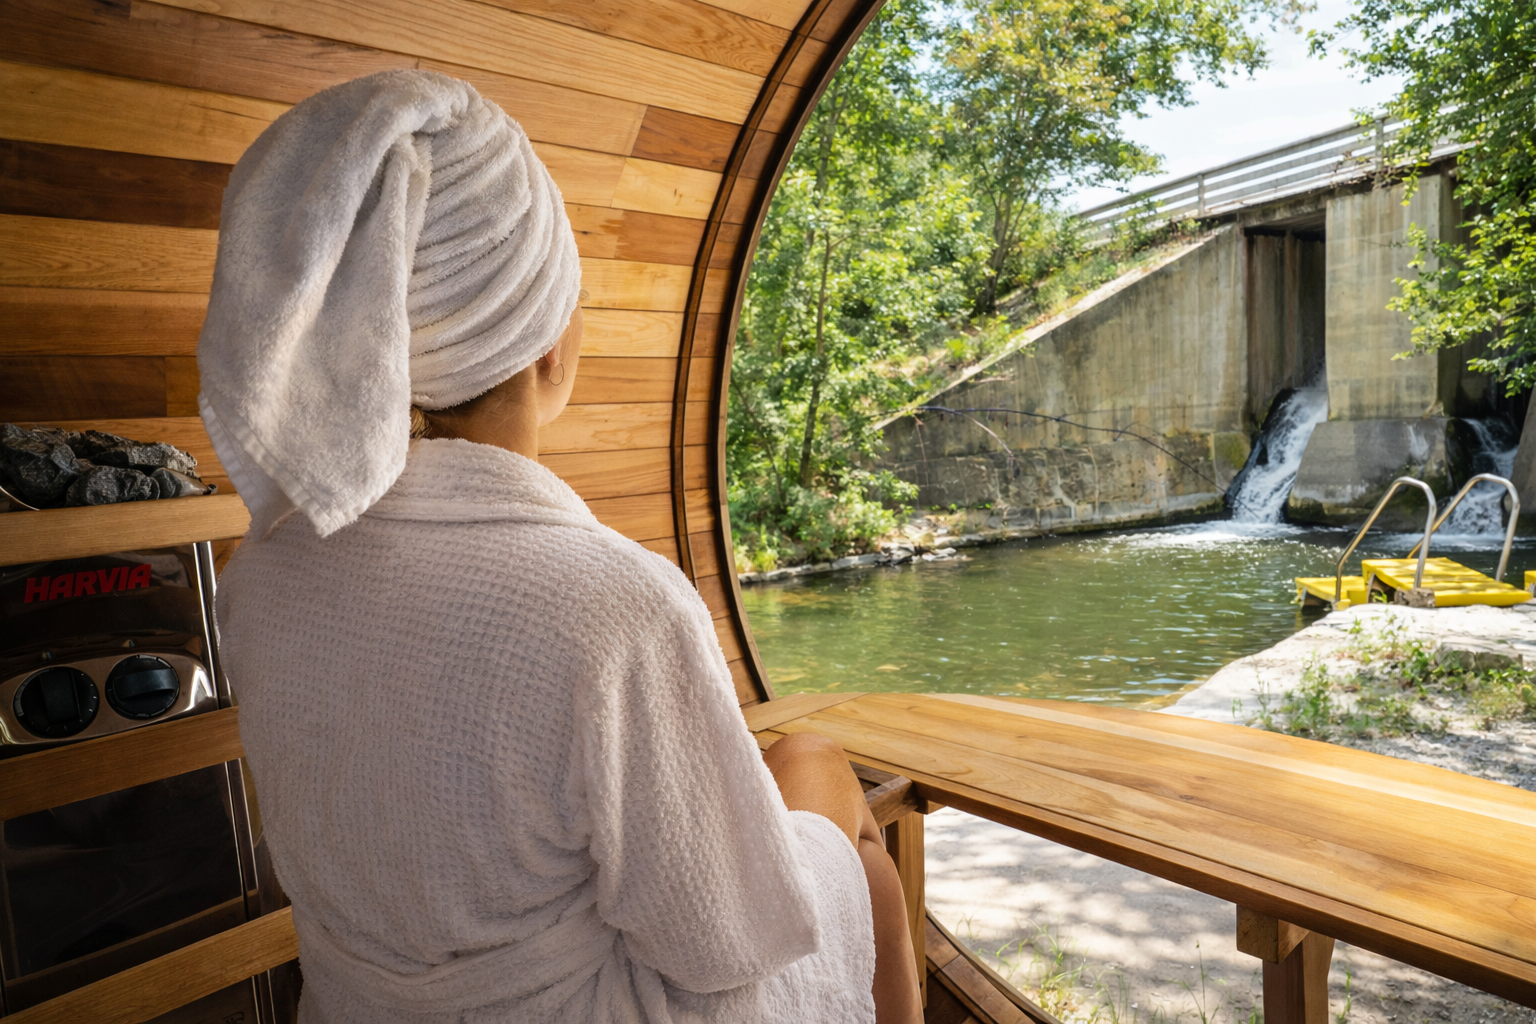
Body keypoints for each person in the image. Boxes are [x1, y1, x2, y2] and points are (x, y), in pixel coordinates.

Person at [199, 69, 922, 1024]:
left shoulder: (264, 575)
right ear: (548, 340)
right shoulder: (611, 605)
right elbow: (725, 944)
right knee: (823, 773)